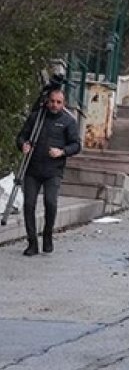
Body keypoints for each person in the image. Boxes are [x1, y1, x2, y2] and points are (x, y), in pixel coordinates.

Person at [15, 88, 81, 256]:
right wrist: (23, 145)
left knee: (50, 202)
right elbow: (21, 136)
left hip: (54, 170)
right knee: (29, 204)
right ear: (47, 101)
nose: (54, 105)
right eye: (52, 101)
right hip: (33, 168)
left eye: (59, 102)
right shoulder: (36, 117)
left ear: (63, 104)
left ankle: (47, 234)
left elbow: (76, 145)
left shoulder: (68, 121)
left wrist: (62, 151)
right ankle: (32, 243)